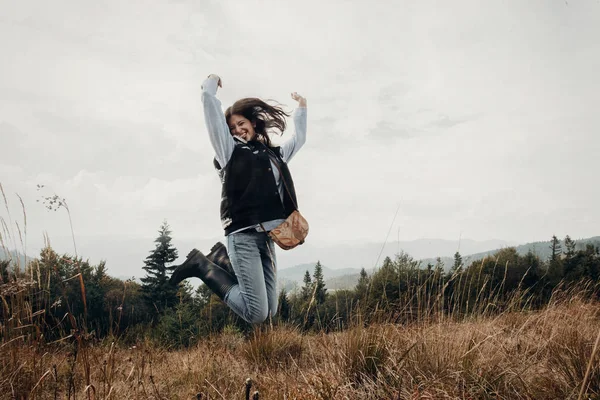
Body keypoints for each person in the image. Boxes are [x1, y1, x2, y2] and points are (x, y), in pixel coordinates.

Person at [170, 73, 307, 324]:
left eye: (241, 124)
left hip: (267, 237)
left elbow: (299, 140)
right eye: (232, 127)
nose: (238, 130)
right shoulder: (229, 151)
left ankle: (222, 258)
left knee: (270, 311)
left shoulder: (273, 154)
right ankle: (203, 266)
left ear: (253, 123)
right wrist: (209, 86)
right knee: (256, 314)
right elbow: (210, 114)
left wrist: (302, 108)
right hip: (242, 234)